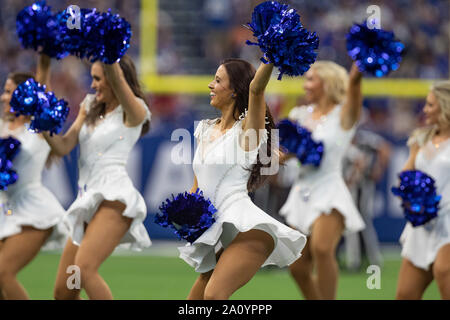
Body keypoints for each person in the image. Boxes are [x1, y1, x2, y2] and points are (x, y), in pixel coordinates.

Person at [179, 58, 306, 300]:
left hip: (248, 230)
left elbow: (256, 89)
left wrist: (271, 53)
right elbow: (197, 186)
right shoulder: (204, 129)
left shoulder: (248, 131)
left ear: (235, 90)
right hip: (217, 229)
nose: (210, 85)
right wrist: (185, 214)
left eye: (217, 80)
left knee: (213, 297)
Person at [43, 55, 152, 300]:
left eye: (97, 78)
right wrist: (43, 126)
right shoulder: (89, 106)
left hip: (114, 198)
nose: (92, 84)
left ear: (115, 79)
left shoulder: (134, 111)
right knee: (65, 290)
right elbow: (62, 146)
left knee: (84, 269)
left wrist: (109, 49)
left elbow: (117, 77)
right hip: (86, 202)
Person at [279, 61, 365, 299]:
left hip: (329, 188)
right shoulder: (299, 115)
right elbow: (286, 151)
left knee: (322, 248)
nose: (305, 85)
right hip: (301, 191)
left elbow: (355, 90)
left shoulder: (344, 115)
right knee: (297, 266)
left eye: (310, 79)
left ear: (327, 83)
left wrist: (356, 74)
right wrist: (278, 156)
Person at [0, 54, 67, 300]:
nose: (4, 96)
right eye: (4, 91)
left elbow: (42, 86)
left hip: (33, 209)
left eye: (9, 91)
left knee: (3, 273)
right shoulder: (3, 126)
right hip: (5, 209)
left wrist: (45, 58)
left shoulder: (38, 127)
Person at [396, 81, 450, 300]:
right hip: (422, 224)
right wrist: (411, 194)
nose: (425, 110)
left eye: (430, 105)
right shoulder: (421, 138)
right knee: (405, 295)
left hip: (448, 223)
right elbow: (405, 177)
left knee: (443, 271)